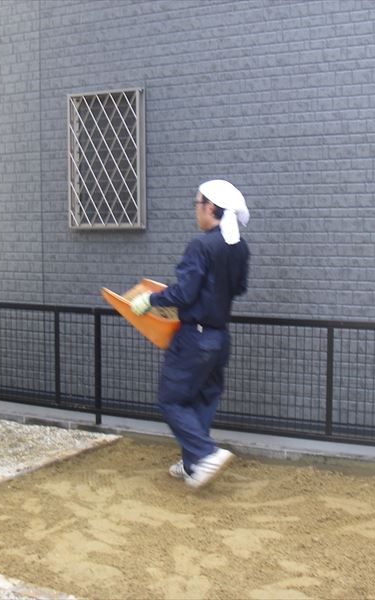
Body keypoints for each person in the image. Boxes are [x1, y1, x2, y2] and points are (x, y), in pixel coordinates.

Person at [130, 180, 251, 489]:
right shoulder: (239, 247)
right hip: (219, 338)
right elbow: (239, 288)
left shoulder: (201, 246)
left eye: (197, 204)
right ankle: (192, 464)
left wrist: (151, 299)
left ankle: (206, 454)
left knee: (170, 400)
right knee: (203, 399)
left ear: (210, 207)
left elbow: (184, 293)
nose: (196, 210)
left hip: (194, 338)